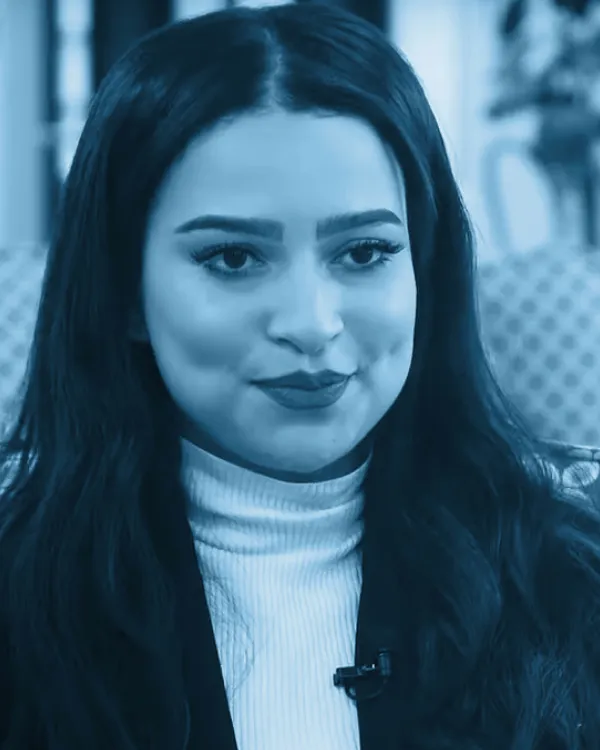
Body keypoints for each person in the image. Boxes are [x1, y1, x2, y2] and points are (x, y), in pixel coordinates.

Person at [0, 3, 599, 749]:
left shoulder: (573, 568)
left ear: (425, 269)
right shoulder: (23, 593)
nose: (313, 324)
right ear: (124, 292)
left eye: (365, 252)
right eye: (233, 258)